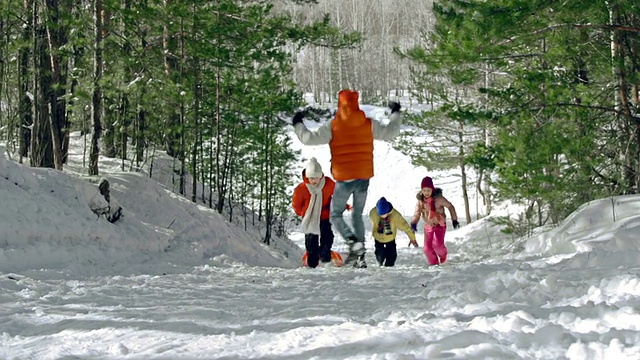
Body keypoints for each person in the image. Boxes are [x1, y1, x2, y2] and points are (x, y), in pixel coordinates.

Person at [292, 90, 403, 268]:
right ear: (356, 103)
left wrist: (298, 123)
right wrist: (396, 113)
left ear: (340, 104)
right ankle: (360, 256)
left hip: (344, 179)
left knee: (336, 215)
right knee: (357, 214)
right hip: (363, 177)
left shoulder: (333, 126)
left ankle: (353, 242)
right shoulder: (368, 124)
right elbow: (390, 132)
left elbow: (308, 139)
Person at [292, 158, 335, 268]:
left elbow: (338, 196)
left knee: (327, 237)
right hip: (310, 219)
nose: (314, 181)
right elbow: (296, 205)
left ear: (321, 176)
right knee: (311, 244)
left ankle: (325, 258)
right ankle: (312, 264)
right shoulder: (301, 189)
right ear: (307, 177)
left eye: (316, 178)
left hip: (324, 216)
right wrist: (303, 213)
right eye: (311, 178)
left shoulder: (328, 184)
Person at [410, 176, 459, 266]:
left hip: (440, 224)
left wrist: (454, 220)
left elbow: (450, 207)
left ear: (432, 189)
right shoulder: (421, 201)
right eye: (424, 191)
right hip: (428, 226)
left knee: (437, 245)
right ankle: (434, 264)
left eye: (428, 190)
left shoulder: (439, 199)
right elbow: (417, 213)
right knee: (427, 248)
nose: (426, 193)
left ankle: (443, 255)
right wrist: (414, 223)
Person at [369, 197, 418, 267]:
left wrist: (412, 238)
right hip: (378, 238)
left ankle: (389, 266)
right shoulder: (373, 213)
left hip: (390, 238)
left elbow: (405, 226)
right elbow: (372, 219)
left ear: (388, 212)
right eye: (380, 215)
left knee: (391, 256)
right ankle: (380, 262)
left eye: (384, 214)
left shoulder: (395, 216)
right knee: (379, 255)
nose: (382, 216)